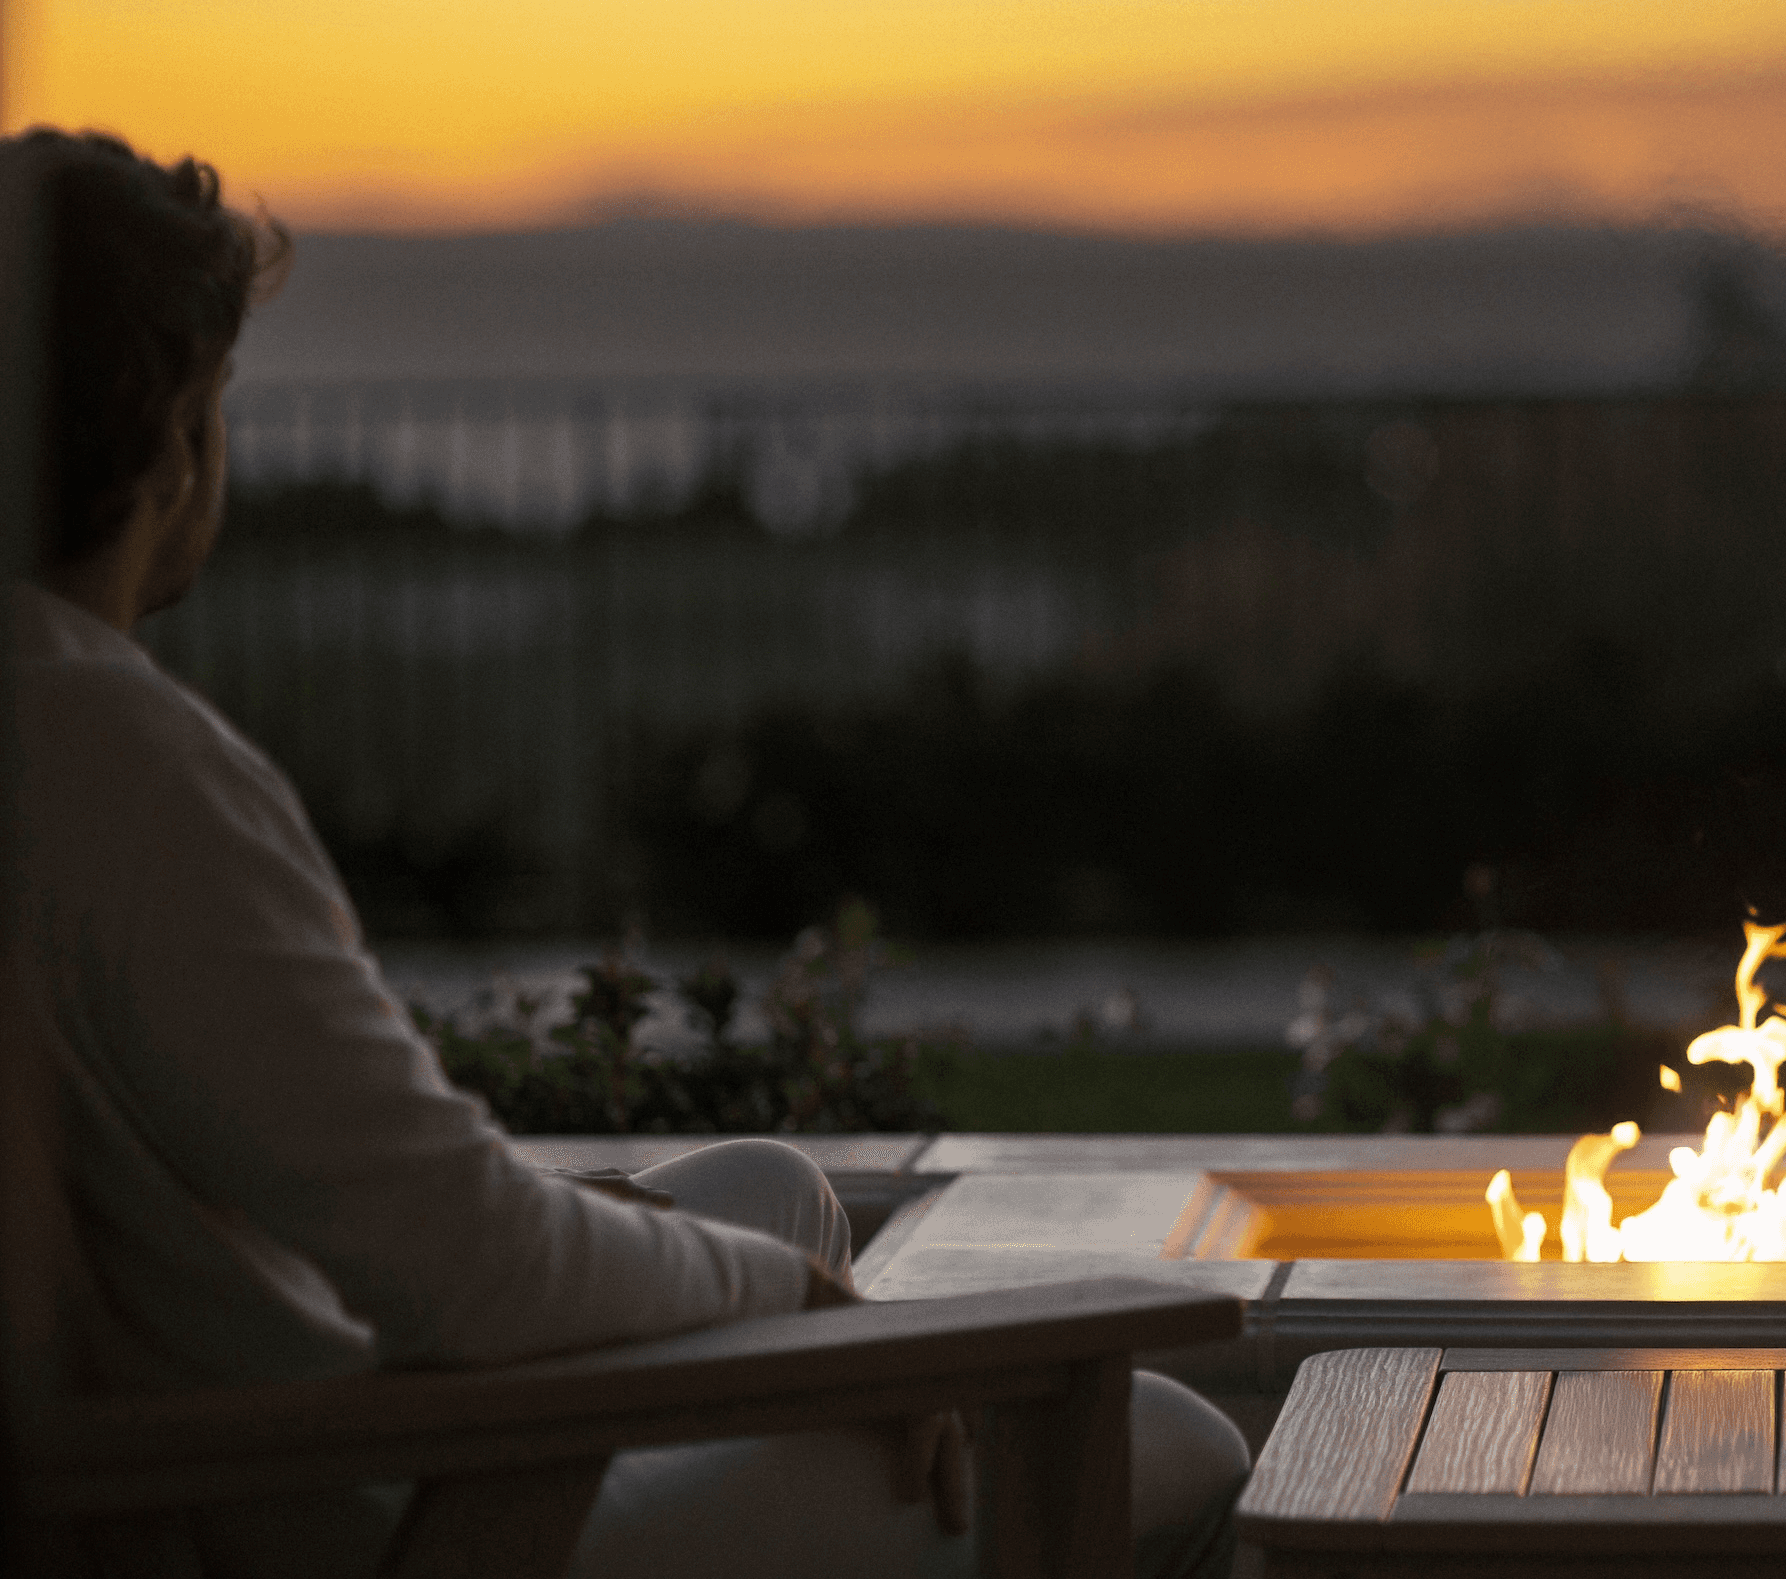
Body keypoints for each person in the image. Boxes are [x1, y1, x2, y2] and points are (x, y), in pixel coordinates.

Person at [7, 128, 1250, 1578]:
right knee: (1176, 1442)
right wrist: (791, 1304)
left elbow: (398, 1204)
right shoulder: (122, 771)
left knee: (771, 1180)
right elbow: (481, 1274)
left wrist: (735, 1263)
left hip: (302, 1393)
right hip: (402, 1505)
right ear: (168, 435)